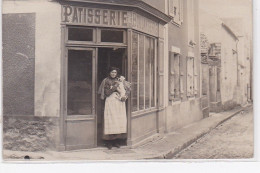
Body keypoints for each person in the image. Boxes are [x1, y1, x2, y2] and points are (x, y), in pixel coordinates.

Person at [98, 67, 130, 149]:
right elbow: (107, 93)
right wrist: (116, 85)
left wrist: (125, 96)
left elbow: (128, 89)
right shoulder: (106, 81)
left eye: (115, 72)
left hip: (119, 102)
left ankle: (116, 141)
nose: (113, 74)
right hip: (110, 102)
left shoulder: (120, 80)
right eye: (112, 72)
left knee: (118, 121)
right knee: (111, 121)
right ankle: (109, 142)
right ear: (109, 73)